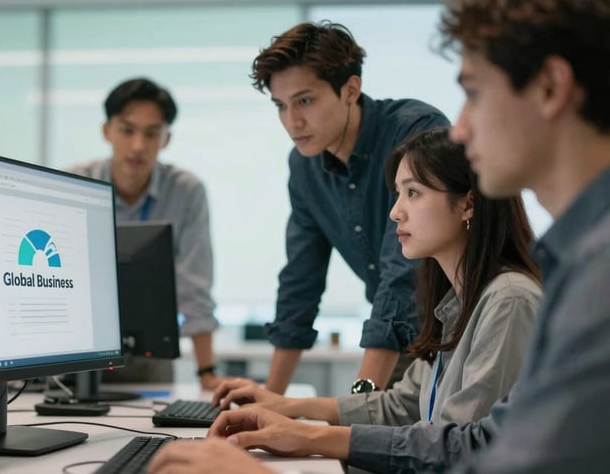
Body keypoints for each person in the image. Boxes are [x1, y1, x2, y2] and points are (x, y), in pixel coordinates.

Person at [149, 0, 610, 472]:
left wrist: (291, 453)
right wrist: (276, 406)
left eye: (473, 93)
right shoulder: (529, 282)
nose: (462, 129)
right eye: (281, 106)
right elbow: (300, 284)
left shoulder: (549, 288)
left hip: (405, 335)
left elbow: (463, 450)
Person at [211, 127, 541, 430]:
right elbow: (403, 405)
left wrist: (303, 436)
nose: (395, 212)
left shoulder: (509, 301)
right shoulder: (456, 303)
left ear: (468, 203)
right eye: (397, 194)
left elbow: (456, 446)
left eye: (413, 193)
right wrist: (286, 407)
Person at [254, 21, 450, 394]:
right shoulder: (305, 167)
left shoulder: (415, 133)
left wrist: (362, 400)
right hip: (402, 337)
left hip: (464, 332)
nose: (292, 122)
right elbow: (301, 280)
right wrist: (268, 400)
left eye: (305, 100)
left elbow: (403, 274)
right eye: (281, 106)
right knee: (355, 437)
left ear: (350, 89)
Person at [67, 78, 225, 389]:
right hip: (76, 356)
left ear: (166, 138)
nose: (138, 145)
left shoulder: (185, 191)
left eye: (152, 133)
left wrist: (207, 372)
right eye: (127, 130)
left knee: (152, 433)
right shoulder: (73, 184)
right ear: (107, 131)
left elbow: (195, 285)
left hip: (150, 361)